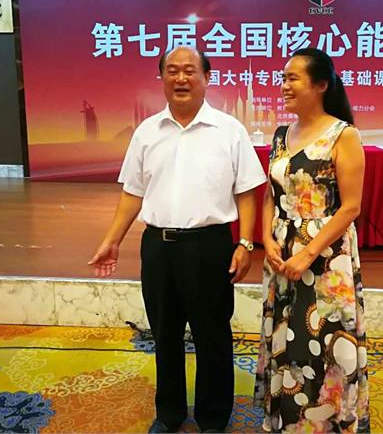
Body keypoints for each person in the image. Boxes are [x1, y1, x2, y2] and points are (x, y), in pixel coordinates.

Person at [88, 46, 266, 433]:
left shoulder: (229, 130)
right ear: (162, 78)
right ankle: (168, 413)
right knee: (164, 335)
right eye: (172, 71)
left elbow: (247, 192)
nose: (180, 78)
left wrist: (245, 244)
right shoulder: (147, 132)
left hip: (209, 247)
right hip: (158, 248)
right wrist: (112, 239)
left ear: (207, 78)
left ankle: (213, 417)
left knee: (212, 334)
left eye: (189, 71)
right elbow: (132, 193)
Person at [254, 48, 369, 433]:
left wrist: (308, 253)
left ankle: (326, 423)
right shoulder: (281, 135)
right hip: (281, 253)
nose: (284, 86)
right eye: (283, 78)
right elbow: (271, 194)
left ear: (320, 85)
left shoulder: (343, 135)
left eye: (293, 78)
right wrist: (266, 238)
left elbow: (350, 208)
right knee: (286, 337)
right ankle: (287, 420)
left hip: (326, 258)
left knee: (323, 338)